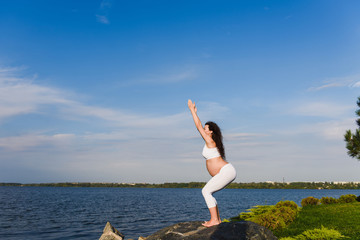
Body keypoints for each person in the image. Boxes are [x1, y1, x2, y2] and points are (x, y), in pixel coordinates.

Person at [187, 99, 237, 227]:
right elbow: (200, 127)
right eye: (204, 129)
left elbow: (198, 126)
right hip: (226, 171)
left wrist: (192, 110)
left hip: (226, 171)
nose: (203, 130)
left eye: (206, 129)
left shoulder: (210, 141)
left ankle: (214, 220)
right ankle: (217, 220)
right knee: (209, 192)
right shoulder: (210, 143)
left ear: (211, 132)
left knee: (206, 191)